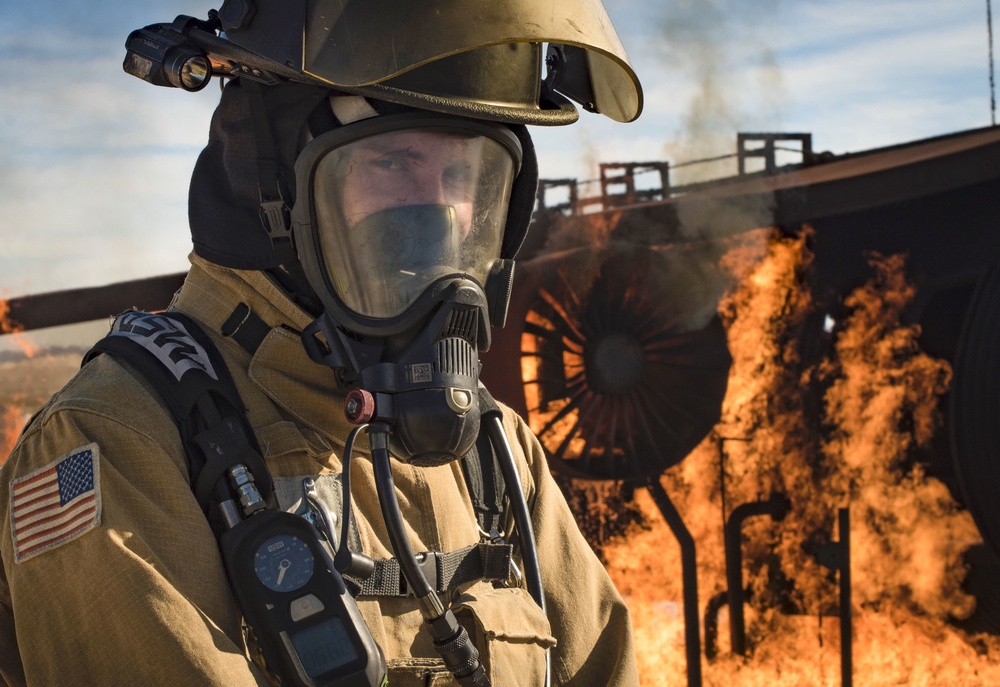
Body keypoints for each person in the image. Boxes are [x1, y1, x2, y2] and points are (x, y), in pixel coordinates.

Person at [0, 1, 644, 685]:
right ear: (270, 178)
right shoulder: (114, 444)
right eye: (393, 161)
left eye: (462, 175)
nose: (439, 216)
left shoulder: (495, 451)